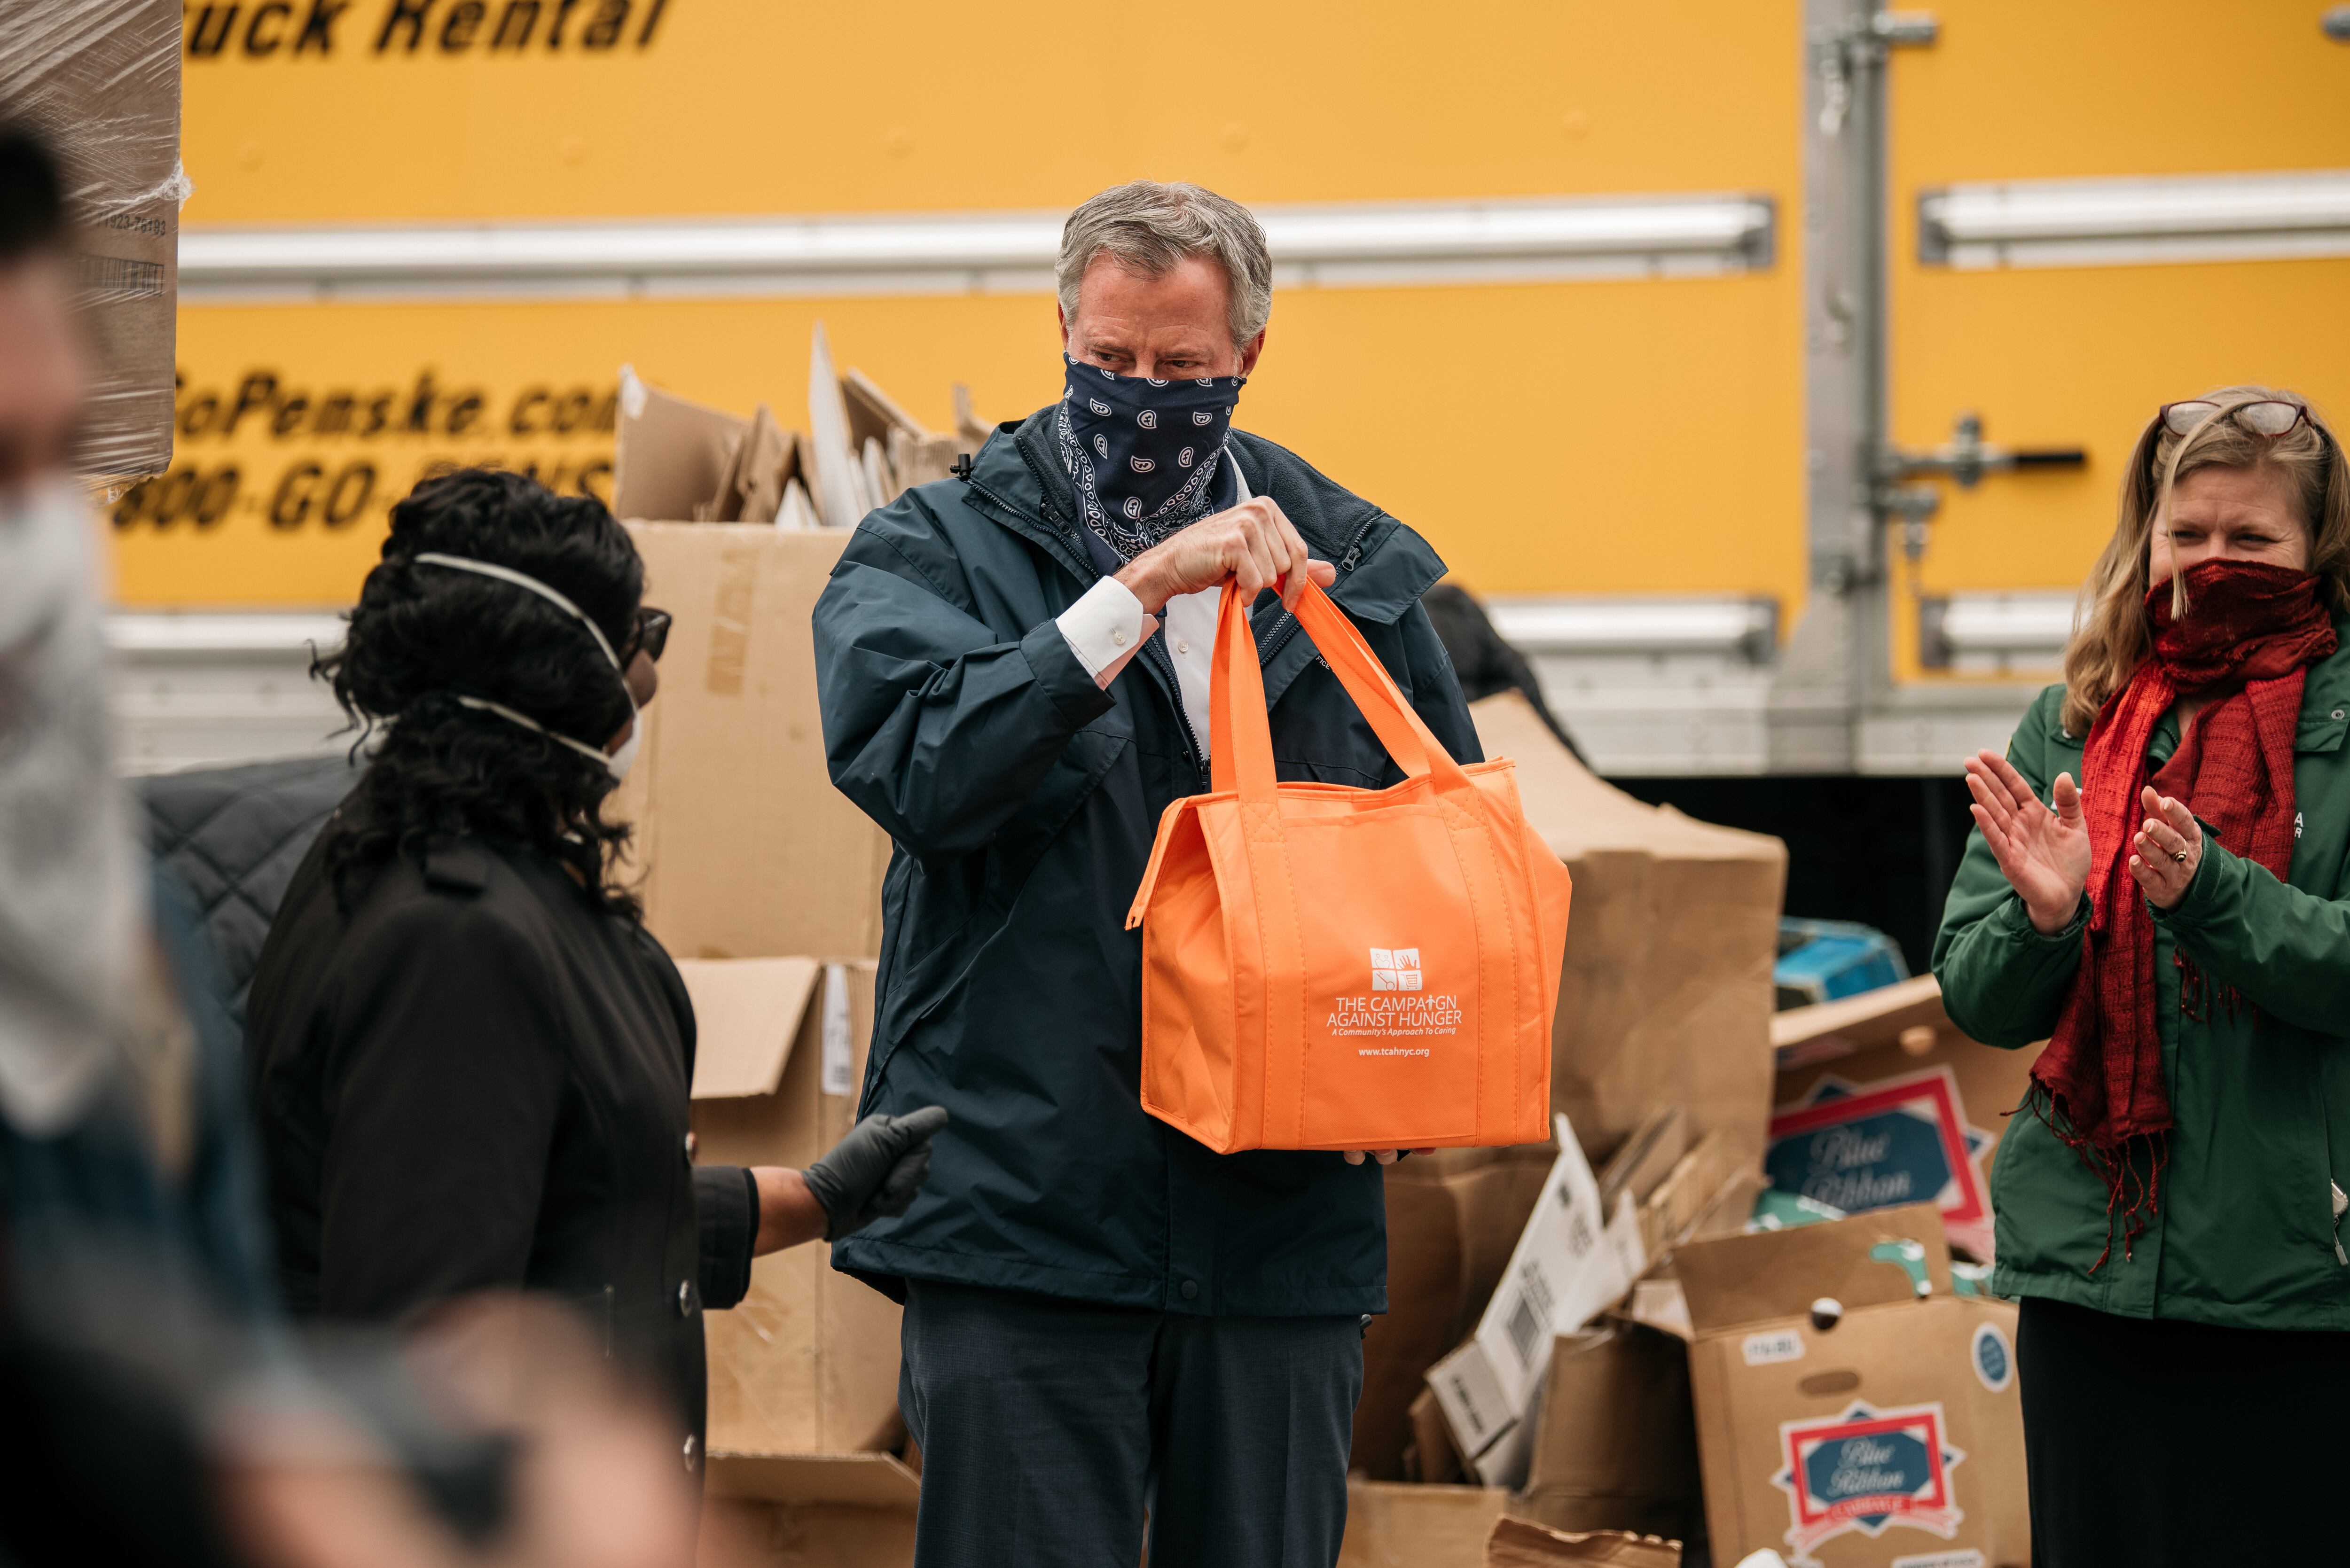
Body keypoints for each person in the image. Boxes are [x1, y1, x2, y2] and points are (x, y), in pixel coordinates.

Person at [812, 179, 1482, 1568]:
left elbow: (1440, 865)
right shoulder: (929, 552)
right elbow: (921, 771)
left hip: (1274, 1232)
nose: (1141, 394)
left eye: (1180, 369)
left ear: (1248, 355)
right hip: (1028, 1224)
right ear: (1062, 329)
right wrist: (1132, 600)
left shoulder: (1353, 571)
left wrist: (1410, 1061)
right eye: (1109, 363)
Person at [243, 468, 948, 1473]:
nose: (651, 673)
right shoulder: (454, 943)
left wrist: (815, 1199)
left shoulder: (441, 862)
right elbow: (426, 1365)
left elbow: (565, 1218)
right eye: (637, 638)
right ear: (561, 679)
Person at [1934, 386, 2350, 1566]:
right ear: (2148, 540)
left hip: (2299, 1283)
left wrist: (2213, 896)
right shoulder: (2073, 718)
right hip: (2092, 1280)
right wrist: (2045, 917)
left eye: (2253, 538)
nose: (2215, 562)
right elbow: (1975, 993)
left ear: (2318, 546)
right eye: (2190, 535)